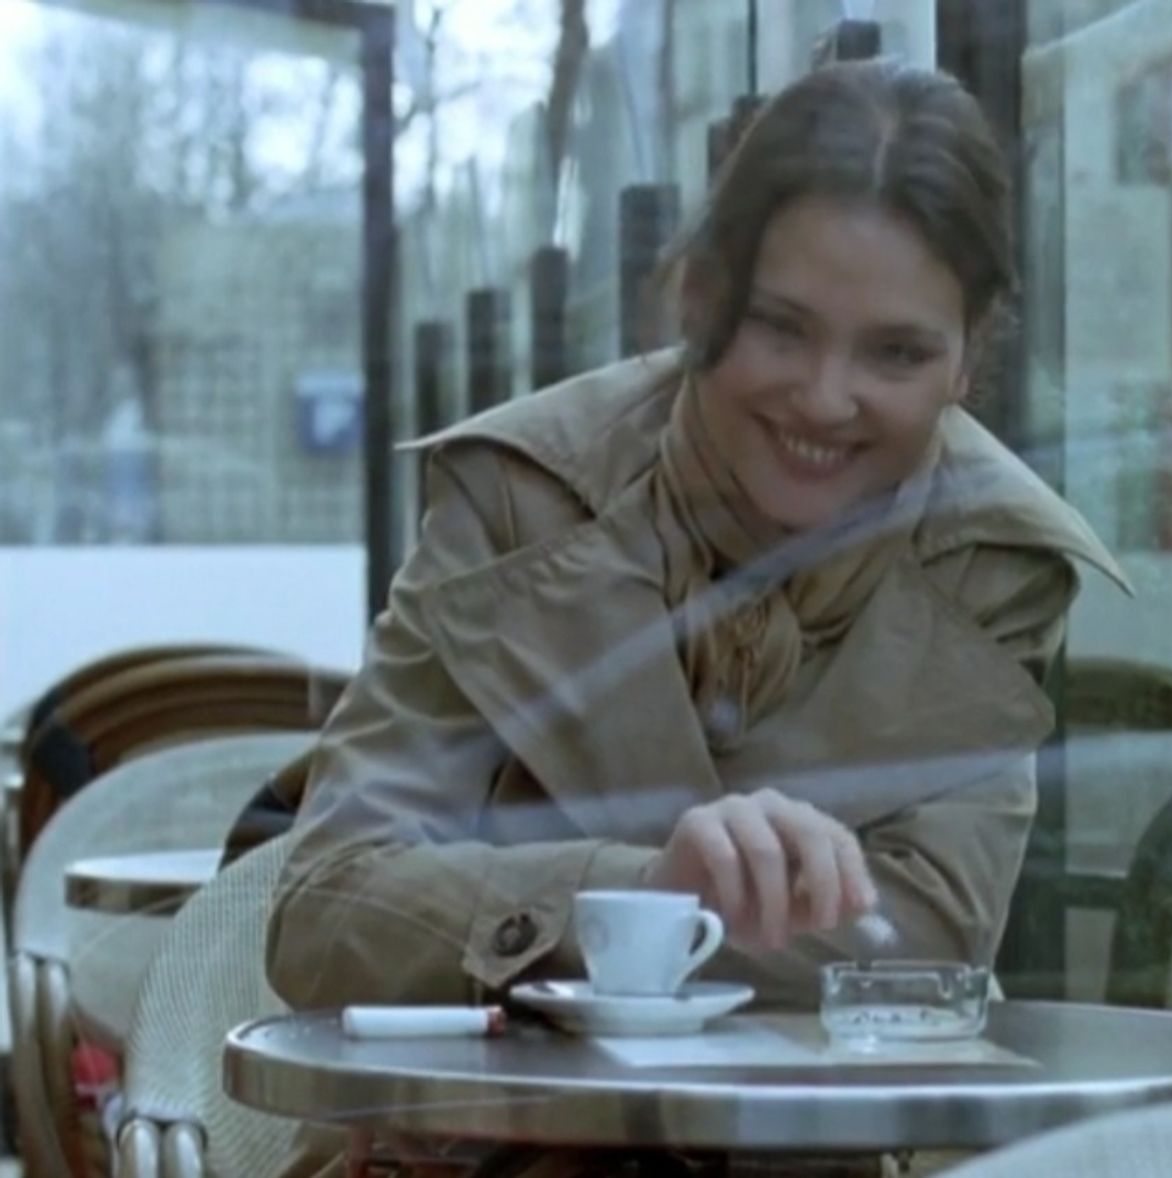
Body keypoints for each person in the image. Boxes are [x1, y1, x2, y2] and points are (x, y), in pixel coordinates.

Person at [265, 59, 1126, 1176]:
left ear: (969, 354)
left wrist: (567, 917)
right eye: (780, 328)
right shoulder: (517, 493)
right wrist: (644, 889)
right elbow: (323, 905)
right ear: (697, 298)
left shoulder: (997, 562)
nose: (824, 397)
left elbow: (924, 947)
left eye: (896, 351)